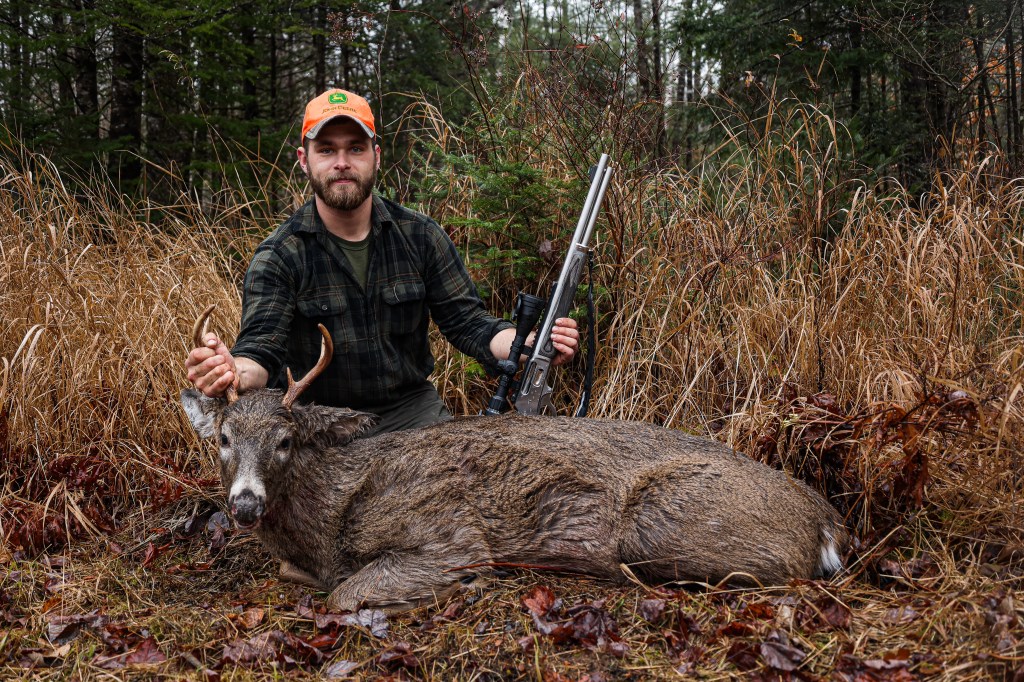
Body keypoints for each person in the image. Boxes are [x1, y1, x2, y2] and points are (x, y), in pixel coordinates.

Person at [186, 89, 578, 434]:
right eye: (327, 150)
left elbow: (470, 324)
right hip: (317, 423)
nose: (342, 162)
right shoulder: (280, 255)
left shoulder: (420, 237)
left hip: (412, 415)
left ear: (375, 156)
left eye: (355, 148)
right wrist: (230, 371)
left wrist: (529, 344)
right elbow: (260, 351)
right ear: (304, 161)